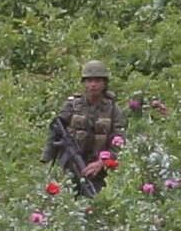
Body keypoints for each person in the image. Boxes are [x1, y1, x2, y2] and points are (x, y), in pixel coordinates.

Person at [44, 61, 124, 196]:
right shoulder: (72, 105)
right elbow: (56, 130)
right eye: (89, 80)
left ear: (104, 83)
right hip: (69, 164)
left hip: (99, 171)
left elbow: (119, 142)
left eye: (97, 80)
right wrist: (47, 159)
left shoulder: (113, 110)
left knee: (96, 202)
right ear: (84, 83)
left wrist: (101, 163)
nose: (93, 85)